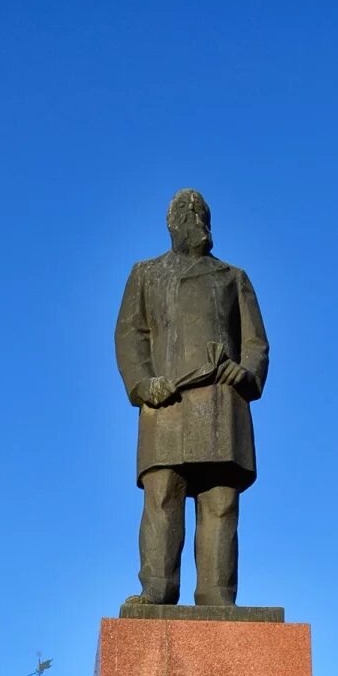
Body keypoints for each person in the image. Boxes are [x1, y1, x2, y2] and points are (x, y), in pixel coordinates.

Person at [115, 189, 269, 608]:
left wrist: (247, 372)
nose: (194, 216)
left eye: (201, 211)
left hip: (222, 403)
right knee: (163, 495)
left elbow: (255, 342)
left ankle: (219, 599)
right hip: (167, 406)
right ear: (170, 225)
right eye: (185, 212)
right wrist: (145, 383)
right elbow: (131, 335)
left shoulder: (233, 277)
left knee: (220, 502)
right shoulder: (146, 274)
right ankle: (157, 590)